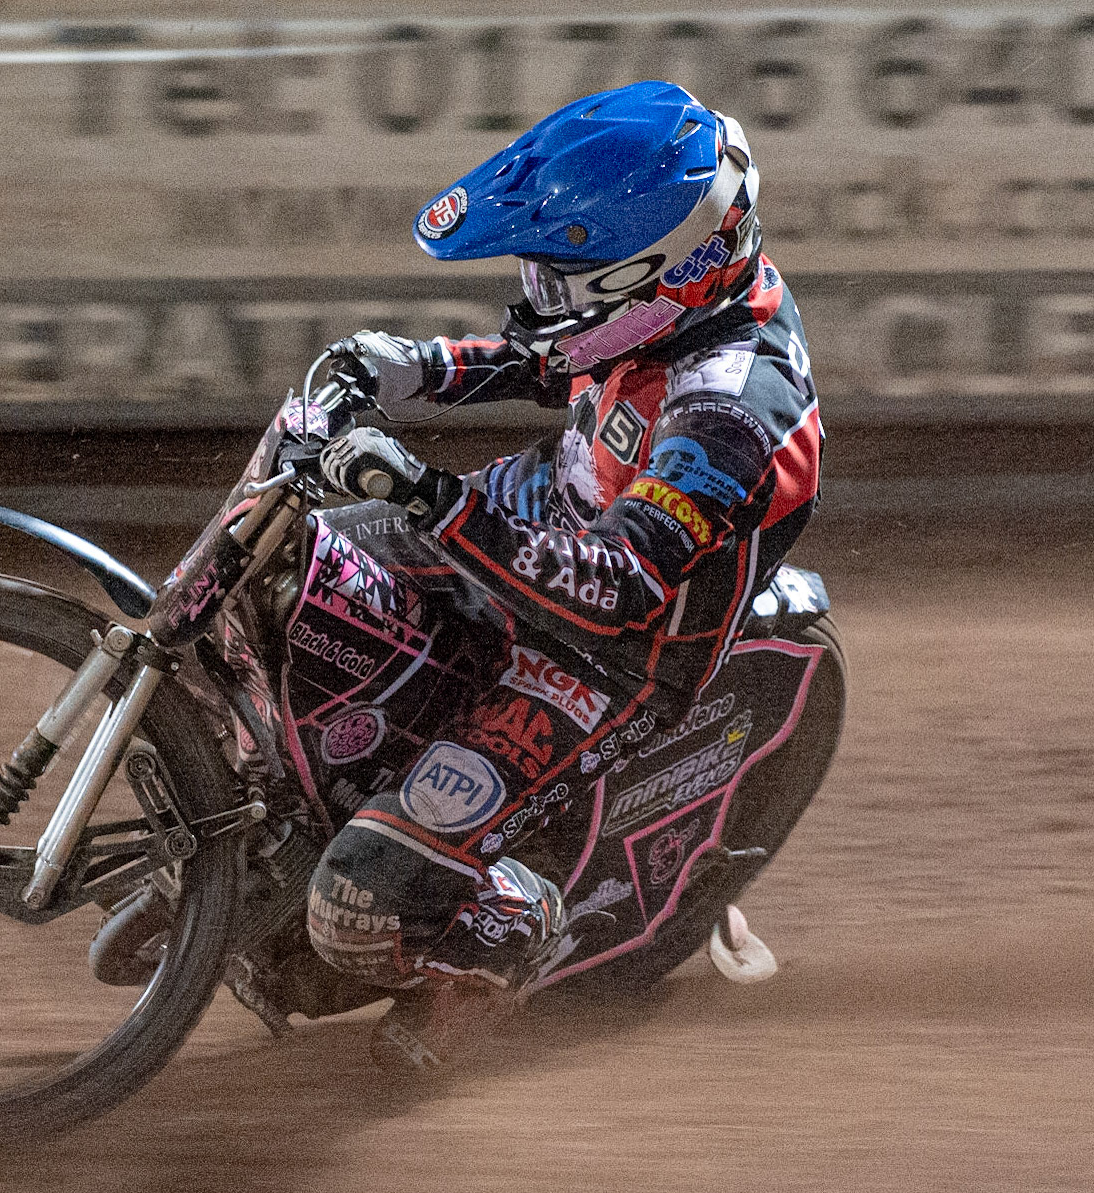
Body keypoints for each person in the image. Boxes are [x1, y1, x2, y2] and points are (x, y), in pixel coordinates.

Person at [301, 80, 822, 1074]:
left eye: (560, 279)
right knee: (298, 577)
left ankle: (510, 934)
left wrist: (431, 498)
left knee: (354, 906)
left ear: (654, 276)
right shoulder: (674, 303)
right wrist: (405, 366)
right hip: (536, 514)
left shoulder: (730, 411)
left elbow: (619, 589)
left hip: (608, 654)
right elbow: (554, 358)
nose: (537, 297)